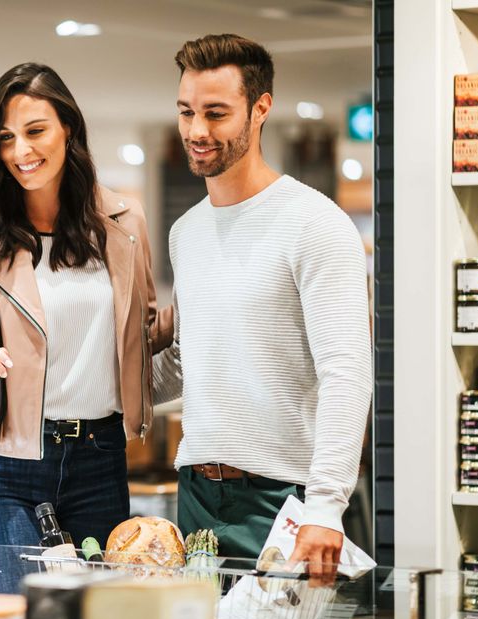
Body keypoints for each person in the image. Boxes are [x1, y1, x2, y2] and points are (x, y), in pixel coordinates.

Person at [0, 63, 175, 593]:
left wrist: (211, 305)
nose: (19, 152)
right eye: (5, 138)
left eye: (35, 131)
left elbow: (146, 335)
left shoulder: (124, 224)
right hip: (7, 461)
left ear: (68, 130)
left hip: (101, 457)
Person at [152, 35, 372, 581]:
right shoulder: (186, 232)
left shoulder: (314, 224)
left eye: (216, 113)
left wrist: (325, 505)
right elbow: (188, 362)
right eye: (186, 112)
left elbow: (347, 373)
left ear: (260, 108)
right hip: (197, 497)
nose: (196, 131)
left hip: (287, 500)